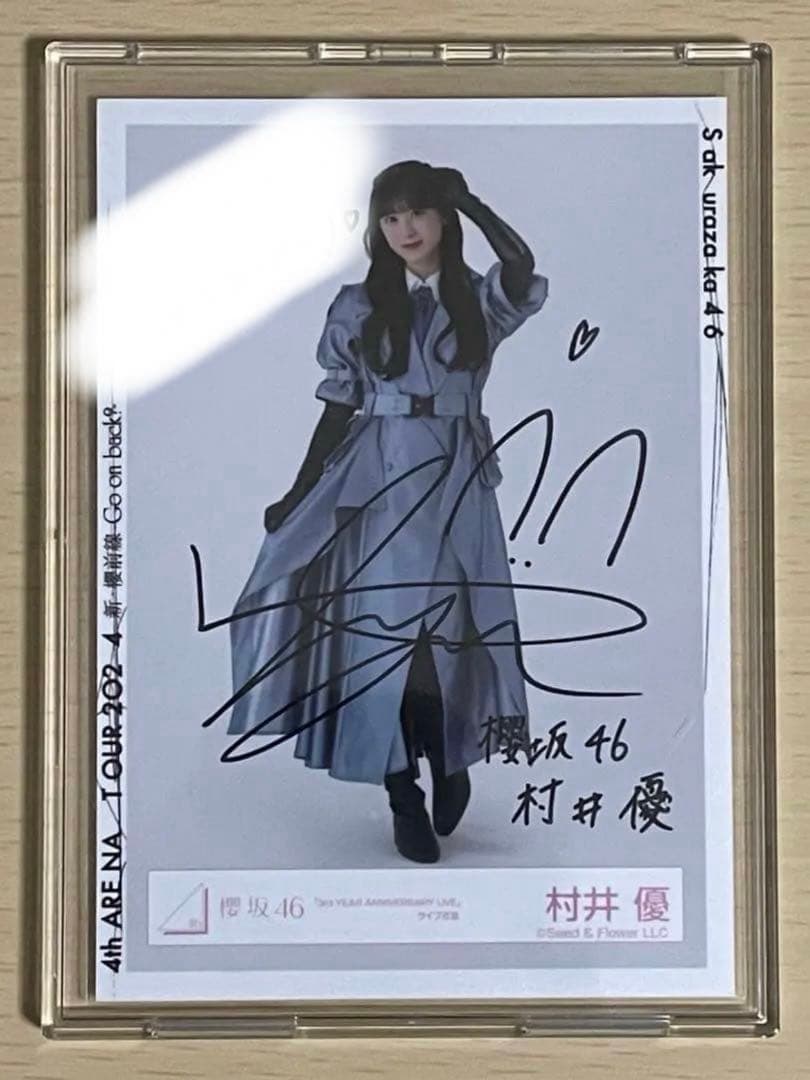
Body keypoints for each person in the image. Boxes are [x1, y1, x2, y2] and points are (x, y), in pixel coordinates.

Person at [227, 160, 549, 864]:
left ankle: (451, 759)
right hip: (378, 481)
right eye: (391, 216)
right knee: (384, 640)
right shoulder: (358, 306)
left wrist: (471, 200)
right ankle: (403, 792)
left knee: (452, 636)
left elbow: (521, 266)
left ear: (443, 219)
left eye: (419, 212)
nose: (406, 228)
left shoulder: (477, 298)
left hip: (459, 480)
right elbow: (337, 408)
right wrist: (298, 493)